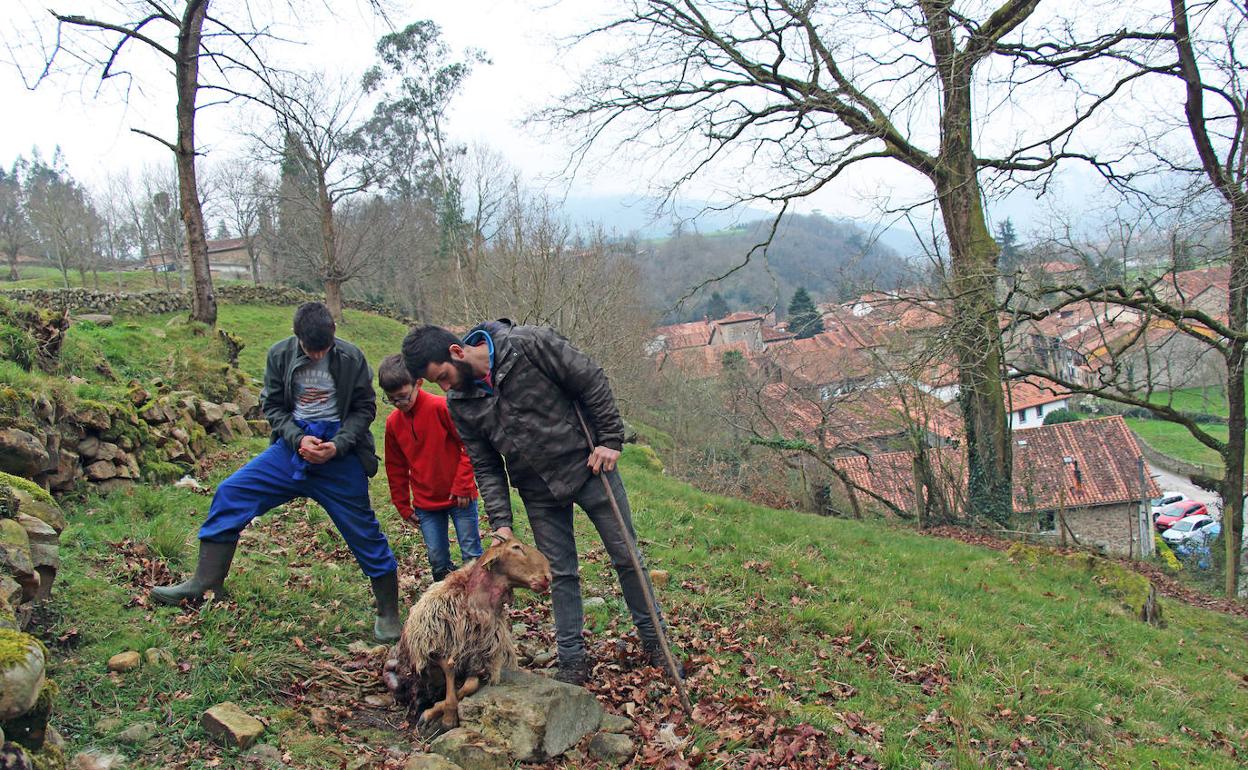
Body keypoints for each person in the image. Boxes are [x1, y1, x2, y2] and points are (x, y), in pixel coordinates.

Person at [400, 320, 678, 685]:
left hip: (590, 467)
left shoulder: (527, 345)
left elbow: (590, 378)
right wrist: (500, 520)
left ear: (457, 352)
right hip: (538, 490)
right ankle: (572, 662)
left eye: (444, 377)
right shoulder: (461, 404)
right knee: (558, 572)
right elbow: (485, 464)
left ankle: (656, 644)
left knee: (627, 557)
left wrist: (610, 438)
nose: (445, 387)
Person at [151, 302, 403, 642]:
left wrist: (338, 445)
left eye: (323, 350)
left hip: (339, 457)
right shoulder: (279, 355)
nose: (317, 357)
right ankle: (206, 583)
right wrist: (298, 440)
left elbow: (364, 408)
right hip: (290, 450)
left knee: (365, 532)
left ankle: (388, 612)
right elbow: (272, 406)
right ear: (297, 337)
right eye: (310, 350)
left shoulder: (352, 358)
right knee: (231, 492)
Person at [377, 354, 483, 583]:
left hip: (460, 497)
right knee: (437, 559)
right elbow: (395, 467)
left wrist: (464, 484)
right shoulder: (393, 423)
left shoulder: (441, 407)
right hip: (426, 503)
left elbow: (468, 445)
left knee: (471, 554)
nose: (400, 404)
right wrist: (402, 505)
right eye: (392, 399)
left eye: (404, 397)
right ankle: (446, 605)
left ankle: (479, 601)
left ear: (418, 383)